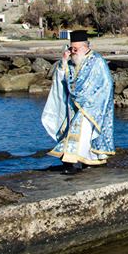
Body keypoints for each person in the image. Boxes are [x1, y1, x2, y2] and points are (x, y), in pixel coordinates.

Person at [41, 30, 115, 173]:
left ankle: (72, 162)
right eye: (71, 49)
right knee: (82, 134)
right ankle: (93, 160)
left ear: (85, 47)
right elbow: (63, 79)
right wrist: (63, 61)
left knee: (81, 132)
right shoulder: (72, 61)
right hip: (74, 104)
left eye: (75, 49)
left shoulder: (97, 61)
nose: (72, 52)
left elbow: (105, 84)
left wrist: (87, 99)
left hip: (92, 105)